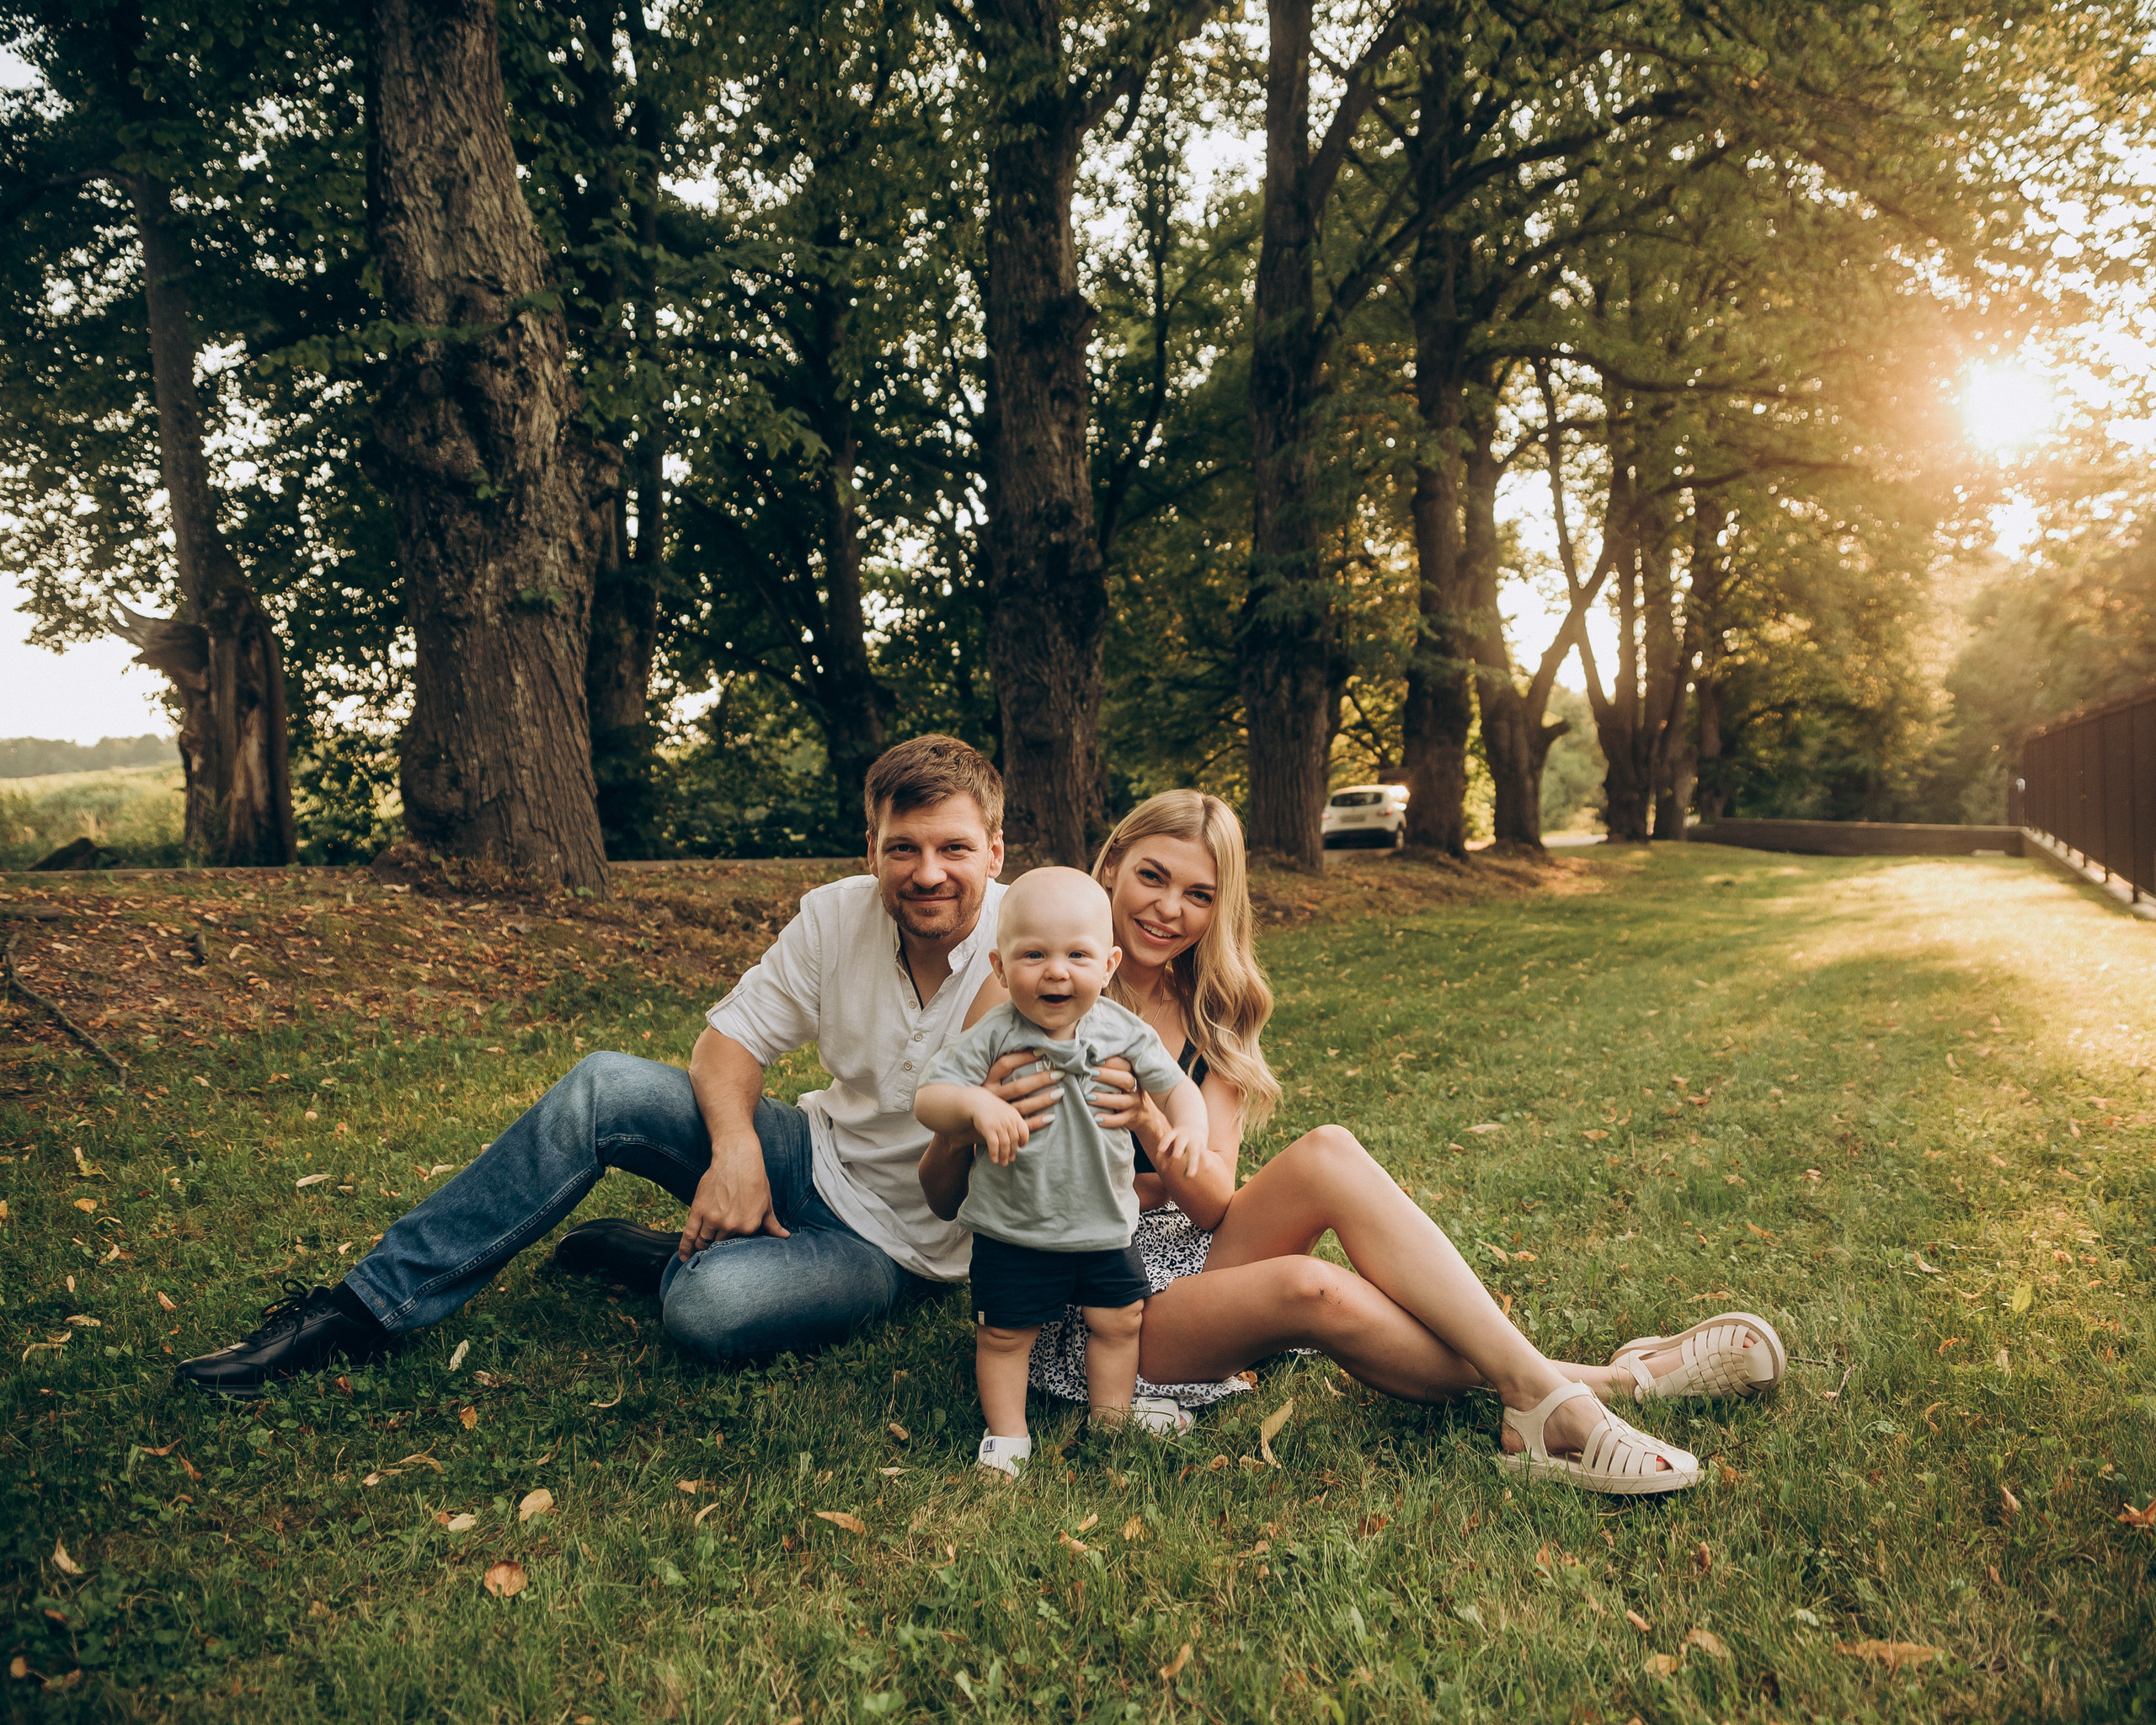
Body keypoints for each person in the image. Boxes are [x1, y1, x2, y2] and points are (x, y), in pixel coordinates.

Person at [928, 790, 1784, 1495]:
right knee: (1311, 1286)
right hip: (1081, 1288)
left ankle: (1543, 1394)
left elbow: (1214, 1202)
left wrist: (1153, 1124)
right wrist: (977, 1120)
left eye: (1198, 893)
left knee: (1329, 1148)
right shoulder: (1020, 993)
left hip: (1186, 1254)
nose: (1167, 908)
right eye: (1151, 875)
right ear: (1110, 865)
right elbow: (937, 1193)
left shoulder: (1212, 1014)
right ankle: (1597, 1386)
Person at [173, 734, 1029, 1393]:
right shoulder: (836, 914)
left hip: (895, 1244)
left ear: (994, 851)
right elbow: (730, 1039)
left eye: (953, 848)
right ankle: (360, 1310)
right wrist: (736, 1152)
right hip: (806, 1151)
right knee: (603, 1084)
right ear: (869, 847)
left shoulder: (1037, 952)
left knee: (708, 1306)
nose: (926, 873)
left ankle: (662, 1257)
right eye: (902, 847)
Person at [912, 868, 1208, 1476]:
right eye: (1034, 954)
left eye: (1077, 954)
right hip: (1014, 1230)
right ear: (999, 966)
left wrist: (1189, 1126)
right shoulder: (994, 1036)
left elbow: (1178, 1089)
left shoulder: (1124, 1032)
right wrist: (976, 1105)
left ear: (1108, 964)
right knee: (1003, 1336)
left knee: (1120, 1323)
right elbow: (929, 1097)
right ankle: (1008, 1437)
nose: (1056, 971)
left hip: (1106, 1226)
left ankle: (1111, 1418)